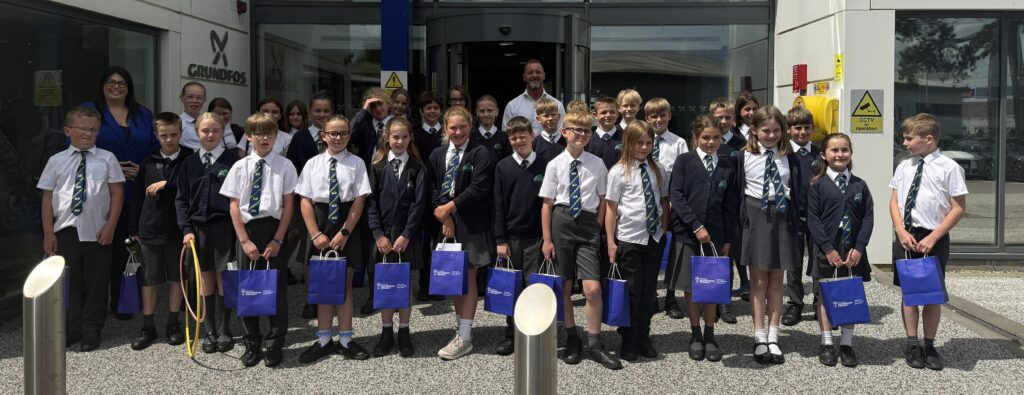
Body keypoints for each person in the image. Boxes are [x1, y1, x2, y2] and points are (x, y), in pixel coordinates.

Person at [539, 110, 621, 370]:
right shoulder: (554, 165)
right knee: (564, 286)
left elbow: (604, 201)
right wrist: (547, 239)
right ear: (564, 132)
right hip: (562, 222)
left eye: (586, 130)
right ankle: (572, 336)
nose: (582, 134)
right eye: (576, 129)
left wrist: (597, 229)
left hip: (586, 225)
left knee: (592, 288)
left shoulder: (597, 163)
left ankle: (595, 343)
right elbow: (547, 205)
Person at [39, 106, 125, 351]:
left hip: (98, 232)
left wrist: (110, 227)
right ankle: (72, 328)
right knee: (70, 283)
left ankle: (91, 329)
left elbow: (117, 194)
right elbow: (47, 199)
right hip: (65, 231)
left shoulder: (107, 158)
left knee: (97, 283)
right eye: (83, 129)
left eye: (93, 130)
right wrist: (48, 233)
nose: (88, 134)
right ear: (68, 131)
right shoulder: (56, 161)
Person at [889, 113, 967, 371]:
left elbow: (958, 208)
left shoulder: (949, 168)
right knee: (910, 293)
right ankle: (912, 343)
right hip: (907, 235)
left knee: (932, 295)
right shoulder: (904, 166)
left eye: (910, 138)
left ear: (929, 139)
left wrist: (934, 236)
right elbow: (894, 201)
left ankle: (930, 344)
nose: (905, 143)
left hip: (934, 236)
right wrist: (900, 230)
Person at [220, 112, 298, 368]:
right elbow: (234, 205)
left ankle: (275, 342)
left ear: (276, 136)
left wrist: (278, 239)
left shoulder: (285, 166)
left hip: (274, 229)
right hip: (248, 231)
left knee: (276, 291)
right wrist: (244, 241)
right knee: (249, 289)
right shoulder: (239, 167)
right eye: (259, 133)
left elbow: (288, 205)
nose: (264, 138)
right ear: (249, 137)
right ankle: (252, 341)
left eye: (269, 133)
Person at [81, 66, 158, 321]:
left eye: (122, 82)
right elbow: (78, 146)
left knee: (129, 249)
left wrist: (144, 167)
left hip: (136, 193)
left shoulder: (143, 114)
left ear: (129, 87)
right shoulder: (90, 111)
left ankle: (123, 301)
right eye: (111, 82)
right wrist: (113, 170)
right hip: (98, 193)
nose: (116, 86)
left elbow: (156, 149)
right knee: (99, 250)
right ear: (102, 85)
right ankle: (93, 305)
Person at [295, 114, 372, 364]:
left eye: (343, 133)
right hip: (318, 222)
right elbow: (305, 200)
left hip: (346, 223)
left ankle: (346, 339)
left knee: (344, 285)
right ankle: (324, 338)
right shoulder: (312, 164)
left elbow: (359, 199)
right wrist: (315, 233)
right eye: (333, 133)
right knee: (322, 286)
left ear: (350, 136)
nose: (338, 138)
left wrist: (345, 232)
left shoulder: (357, 163)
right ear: (323, 135)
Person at [667, 115, 738, 362]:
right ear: (696, 137)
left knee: (711, 285)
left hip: (716, 237)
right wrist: (696, 225)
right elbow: (676, 195)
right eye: (706, 137)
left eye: (716, 138)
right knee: (691, 285)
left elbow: (731, 205)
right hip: (688, 234)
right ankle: (695, 332)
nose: (711, 142)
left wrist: (729, 239)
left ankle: (710, 334)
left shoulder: (728, 166)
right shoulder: (685, 161)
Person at [736, 106, 803, 364]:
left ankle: (774, 336)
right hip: (755, 216)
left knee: (777, 280)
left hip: (782, 217)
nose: (771, 135)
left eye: (776, 130)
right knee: (758, 281)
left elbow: (797, 189)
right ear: (754, 130)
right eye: (765, 130)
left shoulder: (790, 156)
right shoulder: (743, 156)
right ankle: (759, 335)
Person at [428, 106, 496, 360]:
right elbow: (433, 187)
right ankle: (462, 328)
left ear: (471, 127)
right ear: (445, 128)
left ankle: (465, 336)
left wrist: (449, 209)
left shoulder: (480, 153)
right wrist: (444, 215)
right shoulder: (437, 154)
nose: (458, 132)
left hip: (471, 224)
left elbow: (478, 188)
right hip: (445, 223)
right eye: (453, 127)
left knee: (467, 277)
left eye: (462, 127)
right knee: (453, 278)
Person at [175, 112, 240, 355]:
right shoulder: (189, 163)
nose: (210, 135)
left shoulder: (233, 161)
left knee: (224, 278)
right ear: (197, 133)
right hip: (197, 231)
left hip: (224, 228)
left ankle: (225, 329)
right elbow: (181, 200)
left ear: (222, 132)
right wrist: (187, 229)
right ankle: (209, 330)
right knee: (205, 279)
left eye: (215, 130)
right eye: (205, 131)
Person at [127, 112, 193, 351]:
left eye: (174, 134)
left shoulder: (189, 159)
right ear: (156, 135)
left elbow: (192, 188)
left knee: (177, 277)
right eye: (164, 135)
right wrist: (134, 229)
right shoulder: (147, 162)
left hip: (177, 229)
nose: (169, 139)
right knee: (149, 279)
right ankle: (148, 325)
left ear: (181, 133)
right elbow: (136, 199)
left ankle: (173, 323)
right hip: (150, 229)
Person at [605, 120, 669, 363]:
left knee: (648, 290)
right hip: (629, 238)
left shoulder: (658, 169)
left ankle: (644, 335)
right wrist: (611, 242)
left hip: (653, 237)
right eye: (639, 142)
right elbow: (611, 209)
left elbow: (663, 201)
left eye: (648, 142)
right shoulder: (618, 171)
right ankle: (628, 339)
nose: (644, 147)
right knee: (631, 291)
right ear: (628, 143)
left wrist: (663, 228)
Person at [807, 133, 873, 368]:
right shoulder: (817, 185)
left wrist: (859, 247)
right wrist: (827, 248)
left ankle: (846, 343)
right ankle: (826, 342)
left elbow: (867, 218)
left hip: (852, 252)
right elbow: (813, 220)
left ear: (850, 154)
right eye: (834, 150)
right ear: (824, 155)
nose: (840, 154)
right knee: (825, 296)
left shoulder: (859, 185)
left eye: (844, 150)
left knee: (849, 295)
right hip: (828, 251)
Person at [367, 117, 428, 358]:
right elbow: (370, 202)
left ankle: (404, 331)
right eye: (395, 137)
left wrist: (407, 234)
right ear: (387, 138)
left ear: (410, 138)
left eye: (404, 136)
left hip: (405, 238)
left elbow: (419, 204)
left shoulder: (417, 168)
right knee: (384, 283)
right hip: (383, 237)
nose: (400, 141)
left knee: (403, 284)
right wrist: (378, 234)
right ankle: (385, 333)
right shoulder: (377, 166)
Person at [492, 116, 548, 356]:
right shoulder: (503, 167)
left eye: (522, 136)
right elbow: (498, 205)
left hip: (536, 238)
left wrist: (548, 239)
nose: (518, 141)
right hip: (512, 239)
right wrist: (500, 240)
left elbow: (549, 205)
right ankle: (512, 335)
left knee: (534, 287)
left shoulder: (546, 165)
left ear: (531, 137)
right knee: (511, 288)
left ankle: (534, 334)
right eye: (513, 138)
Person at [287, 93, 332, 319]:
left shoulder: (337, 135)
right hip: (307, 203)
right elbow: (292, 169)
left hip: (332, 205)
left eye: (326, 111)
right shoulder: (301, 138)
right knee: (309, 252)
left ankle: (331, 295)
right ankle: (311, 298)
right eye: (317, 111)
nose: (322, 115)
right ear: (310, 113)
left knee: (332, 250)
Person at [782, 105, 821, 327]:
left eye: (806, 128)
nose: (802, 132)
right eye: (797, 128)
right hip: (792, 216)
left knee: (818, 261)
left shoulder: (821, 154)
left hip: (816, 217)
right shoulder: (784, 155)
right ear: (789, 130)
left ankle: (819, 302)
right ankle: (795, 303)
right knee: (793, 262)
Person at [708, 97, 746, 322]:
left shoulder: (741, 143)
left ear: (734, 119)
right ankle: (708, 298)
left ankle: (725, 303)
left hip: (731, 206)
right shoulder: (706, 140)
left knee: (727, 255)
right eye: (719, 117)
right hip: (709, 206)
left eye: (728, 117)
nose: (724, 121)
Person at [412, 91, 445, 302]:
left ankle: (441, 283)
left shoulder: (447, 133)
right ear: (421, 111)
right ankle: (425, 285)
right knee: (424, 244)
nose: (432, 111)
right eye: (428, 108)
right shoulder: (414, 134)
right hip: (422, 195)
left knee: (441, 241)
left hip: (443, 195)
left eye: (435, 108)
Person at [502, 59, 565, 134]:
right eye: (530, 72)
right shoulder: (512, 106)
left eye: (538, 72)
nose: (534, 75)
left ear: (544, 76)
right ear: (524, 77)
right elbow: (507, 135)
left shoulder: (557, 105)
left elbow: (561, 133)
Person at [586, 96, 623, 170]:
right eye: (603, 112)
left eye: (612, 112)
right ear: (595, 115)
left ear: (617, 114)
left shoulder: (625, 136)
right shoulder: (587, 138)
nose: (608, 115)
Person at [471, 94, 512, 161]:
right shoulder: (471, 137)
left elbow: (508, 162)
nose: (486, 114)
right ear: (476, 112)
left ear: (497, 112)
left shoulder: (505, 137)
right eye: (482, 111)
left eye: (490, 110)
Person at [532, 98, 566, 163]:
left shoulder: (567, 141)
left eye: (553, 114)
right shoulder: (534, 143)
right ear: (538, 119)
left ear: (558, 116)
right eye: (546, 115)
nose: (550, 118)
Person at [178, 81, 208, 151]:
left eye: (199, 97)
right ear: (182, 98)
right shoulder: (177, 123)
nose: (195, 101)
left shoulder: (208, 123)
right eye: (190, 97)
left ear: (204, 100)